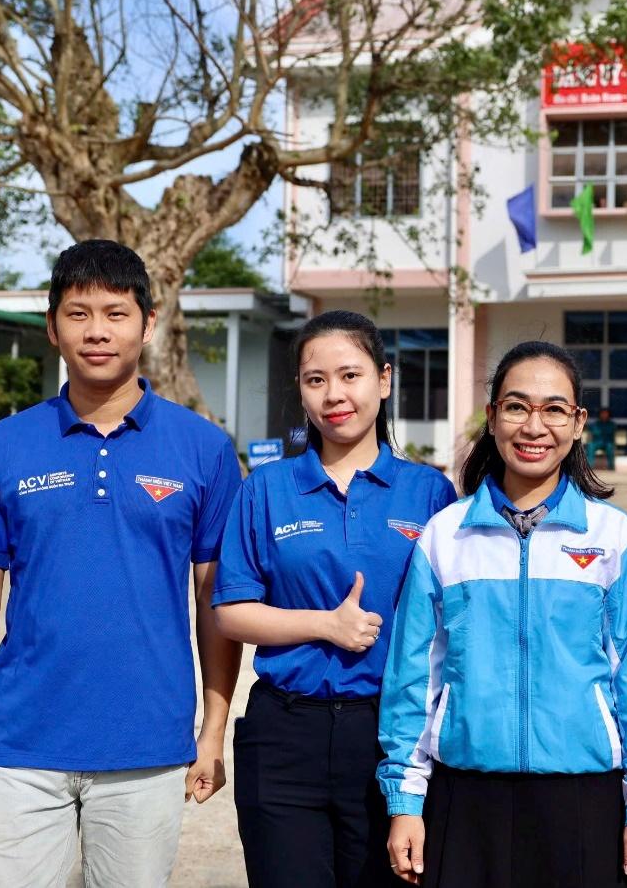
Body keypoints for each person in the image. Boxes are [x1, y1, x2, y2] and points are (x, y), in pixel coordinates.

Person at [0, 240, 244, 886]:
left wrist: (212, 730)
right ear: (52, 327)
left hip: (147, 744)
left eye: (115, 312)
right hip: (19, 743)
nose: (97, 331)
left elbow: (214, 599)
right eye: (78, 314)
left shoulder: (204, 449)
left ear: (148, 323)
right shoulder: (2, 447)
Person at [378, 341, 627, 888]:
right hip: (465, 797)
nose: (534, 426)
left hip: (586, 799)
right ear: (492, 418)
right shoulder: (445, 536)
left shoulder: (614, 539)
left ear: (578, 422)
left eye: (554, 409)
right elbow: (414, 679)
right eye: (516, 406)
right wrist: (405, 799)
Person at [212, 310, 457, 888]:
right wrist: (325, 625)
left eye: (350, 375)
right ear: (300, 389)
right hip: (284, 733)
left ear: (385, 380)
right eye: (315, 379)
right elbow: (231, 611)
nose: (334, 395)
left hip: (393, 739)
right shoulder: (266, 489)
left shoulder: (430, 493)